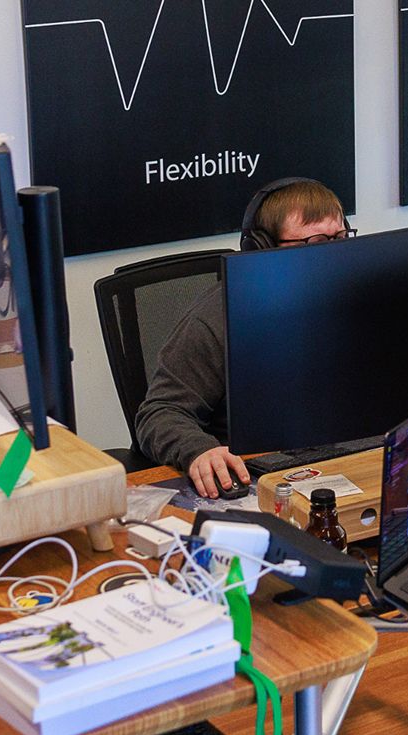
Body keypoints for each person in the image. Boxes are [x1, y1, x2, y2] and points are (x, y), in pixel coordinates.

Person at [134, 178, 352, 498]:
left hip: (344, 463)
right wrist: (199, 450)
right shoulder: (215, 320)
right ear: (261, 249)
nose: (331, 257)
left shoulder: (356, 300)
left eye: (339, 239)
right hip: (256, 480)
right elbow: (160, 413)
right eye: (315, 243)